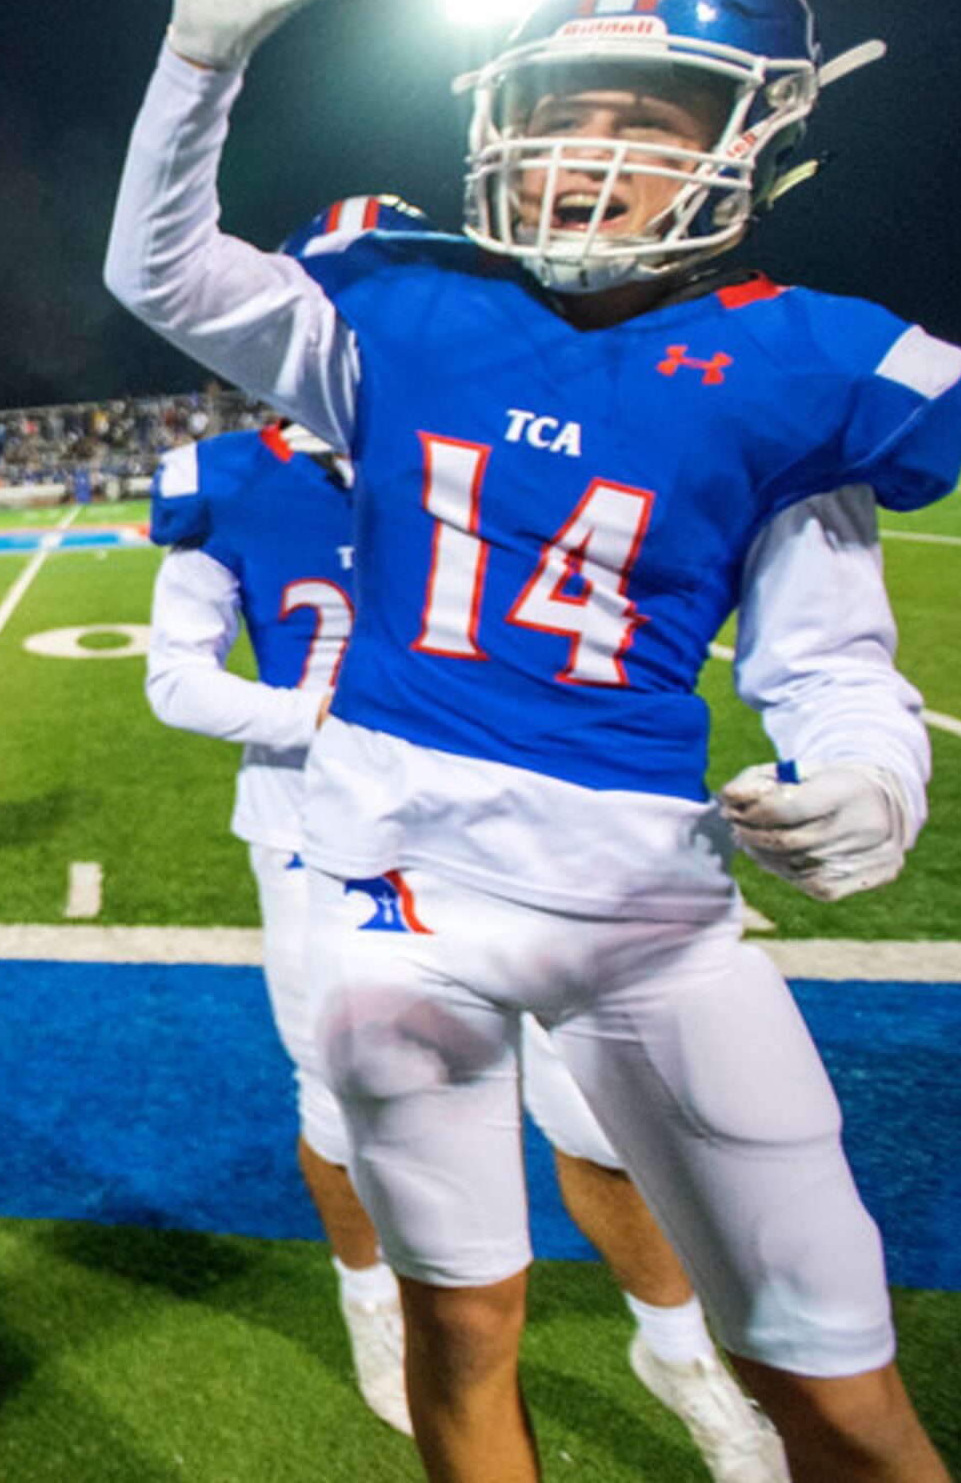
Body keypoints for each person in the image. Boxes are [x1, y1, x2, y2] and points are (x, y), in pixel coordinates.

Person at [105, 0, 961, 1481]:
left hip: (646, 905)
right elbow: (158, 270)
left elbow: (826, 664)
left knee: (830, 1358)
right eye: (558, 107)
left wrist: (870, 779)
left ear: (752, 138)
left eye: (646, 116)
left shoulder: (796, 367)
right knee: (462, 1329)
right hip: (392, 887)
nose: (584, 150)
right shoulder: (400, 306)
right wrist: (195, 57)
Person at [147, 394, 785, 1479]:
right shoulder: (225, 481)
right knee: (344, 1106)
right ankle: (369, 1304)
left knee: (592, 1115)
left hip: (511, 819)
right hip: (321, 838)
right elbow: (176, 681)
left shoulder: (495, 431)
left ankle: (676, 1353)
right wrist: (328, 716)